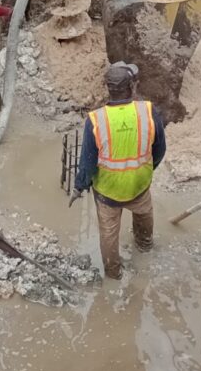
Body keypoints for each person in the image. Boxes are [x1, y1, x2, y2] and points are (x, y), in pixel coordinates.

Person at [70, 62, 166, 280]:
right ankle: (144, 246)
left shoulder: (96, 119)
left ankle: (113, 275)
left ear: (108, 89)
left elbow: (87, 161)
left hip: (108, 192)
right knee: (144, 215)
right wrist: (148, 169)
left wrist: (79, 186)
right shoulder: (148, 111)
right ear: (131, 87)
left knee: (109, 234)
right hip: (139, 186)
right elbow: (160, 148)